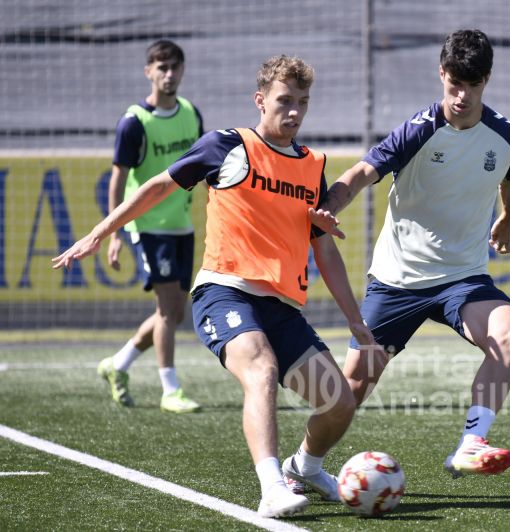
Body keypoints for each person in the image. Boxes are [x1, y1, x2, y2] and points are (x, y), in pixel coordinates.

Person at [53, 55, 373, 518]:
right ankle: (271, 488)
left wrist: (355, 321)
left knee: (339, 403)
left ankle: (304, 466)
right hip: (223, 291)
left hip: (280, 307)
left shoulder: (312, 166)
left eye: (303, 102)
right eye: (285, 100)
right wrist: (102, 231)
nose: (295, 111)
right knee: (260, 370)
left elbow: (324, 250)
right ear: (260, 101)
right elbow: (161, 186)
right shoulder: (229, 145)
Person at [310, 29, 510, 478]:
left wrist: (508, 218)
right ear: (442, 74)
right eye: (454, 86)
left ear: (486, 80)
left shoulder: (509, 137)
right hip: (398, 282)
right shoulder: (418, 131)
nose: (461, 97)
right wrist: (327, 208)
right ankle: (304, 465)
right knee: (350, 392)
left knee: (507, 333)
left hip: (462, 278)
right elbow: (361, 174)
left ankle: (471, 442)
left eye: (472, 86)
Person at [97, 40, 204, 413]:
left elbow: (201, 167)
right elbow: (117, 180)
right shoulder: (134, 122)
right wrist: (113, 234)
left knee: (174, 313)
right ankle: (170, 389)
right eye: (161, 67)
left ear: (182, 70)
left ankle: (118, 364)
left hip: (182, 225)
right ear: (149, 72)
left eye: (174, 66)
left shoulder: (191, 114)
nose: (168, 74)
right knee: (166, 310)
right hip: (149, 225)